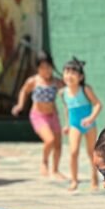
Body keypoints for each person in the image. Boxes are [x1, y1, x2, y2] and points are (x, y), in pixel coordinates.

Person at [12, 51, 66, 180]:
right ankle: (44, 162)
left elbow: (69, 90)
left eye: (48, 67)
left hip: (53, 116)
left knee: (58, 144)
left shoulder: (56, 82)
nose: (46, 71)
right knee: (50, 140)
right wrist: (20, 105)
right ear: (38, 68)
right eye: (43, 68)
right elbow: (24, 91)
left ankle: (56, 170)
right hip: (38, 116)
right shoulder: (34, 81)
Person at [61, 57, 102, 191]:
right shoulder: (64, 93)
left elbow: (98, 105)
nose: (69, 75)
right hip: (74, 125)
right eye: (66, 72)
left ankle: (94, 178)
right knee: (73, 152)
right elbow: (67, 109)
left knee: (91, 152)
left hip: (89, 126)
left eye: (73, 73)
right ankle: (74, 180)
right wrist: (67, 125)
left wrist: (91, 118)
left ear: (80, 77)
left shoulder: (85, 90)